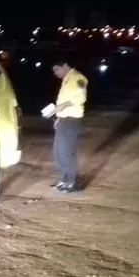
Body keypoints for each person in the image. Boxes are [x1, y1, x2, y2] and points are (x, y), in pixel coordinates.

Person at [50, 60, 88, 193]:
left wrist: (64, 105)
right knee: (57, 152)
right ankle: (65, 179)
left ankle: (73, 182)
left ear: (65, 65)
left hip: (72, 120)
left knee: (66, 152)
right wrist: (58, 117)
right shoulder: (66, 80)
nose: (56, 73)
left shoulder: (77, 78)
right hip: (63, 119)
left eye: (57, 69)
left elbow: (82, 97)